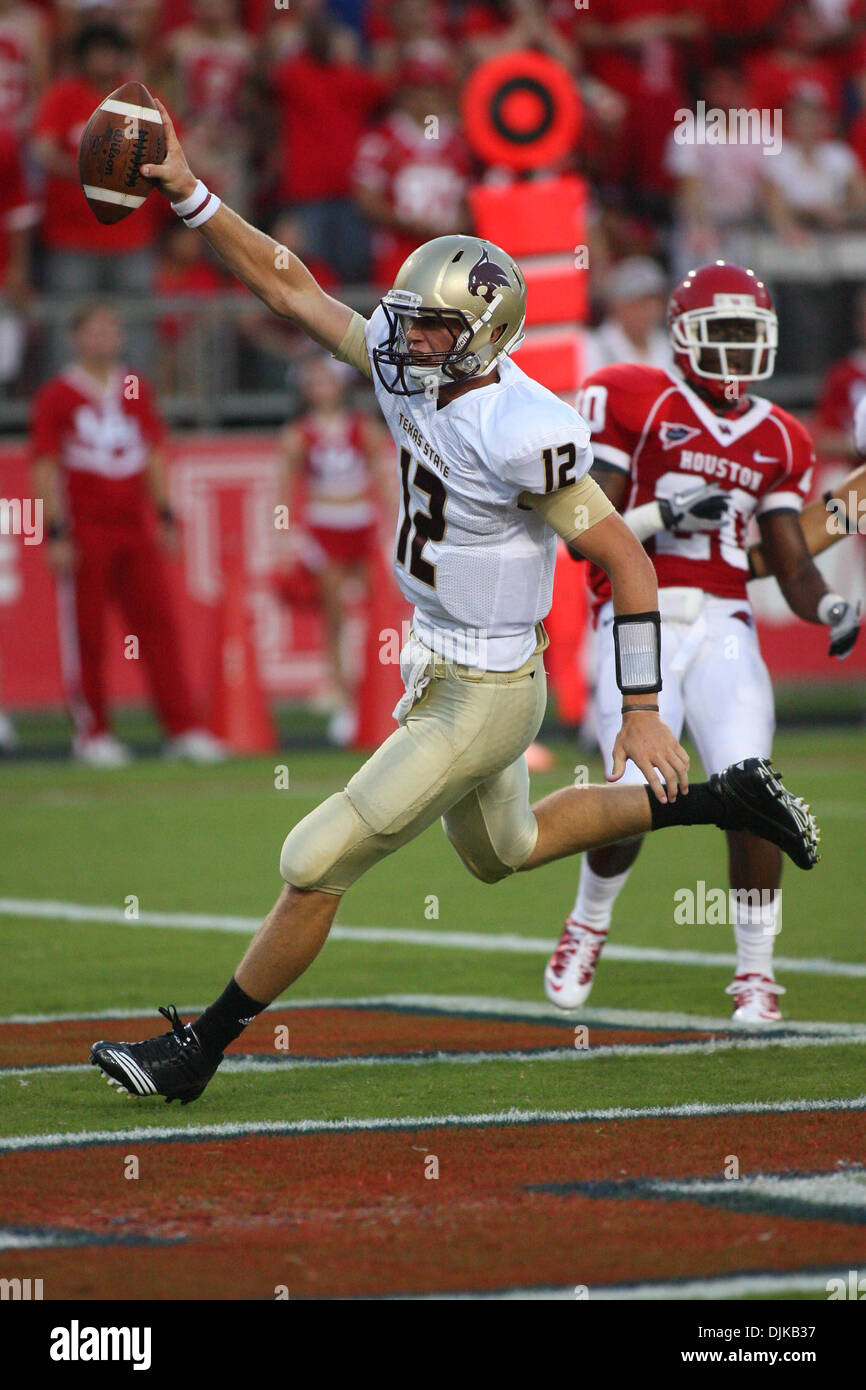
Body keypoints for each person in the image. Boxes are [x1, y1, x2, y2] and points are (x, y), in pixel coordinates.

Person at [90, 107, 819, 1103]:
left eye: (433, 323)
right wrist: (185, 186)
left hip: (482, 687)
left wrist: (641, 710)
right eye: (408, 315)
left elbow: (621, 556)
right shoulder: (407, 368)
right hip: (438, 658)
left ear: (487, 335)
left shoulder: (523, 427)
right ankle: (721, 801)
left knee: (314, 856)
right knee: (505, 853)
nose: (407, 334)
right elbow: (288, 285)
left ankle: (197, 1051)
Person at [545, 261, 859, 1024]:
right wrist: (668, 510)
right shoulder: (633, 394)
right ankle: (589, 920)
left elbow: (788, 562)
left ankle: (756, 972)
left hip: (724, 621)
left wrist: (831, 608)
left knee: (752, 787)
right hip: (634, 611)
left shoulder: (778, 435)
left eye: (745, 335)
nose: (732, 349)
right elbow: (590, 535)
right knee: (631, 794)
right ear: (683, 337)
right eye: (717, 333)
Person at [30, 302, 226, 767]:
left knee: (159, 627)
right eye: (94, 329)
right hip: (85, 526)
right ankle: (93, 730)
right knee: (88, 633)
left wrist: (163, 514)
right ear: (76, 337)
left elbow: (154, 452)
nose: (103, 339)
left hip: (133, 523)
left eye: (110, 329)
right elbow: (44, 464)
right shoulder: (57, 395)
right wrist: (53, 530)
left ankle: (182, 727)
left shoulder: (135, 386)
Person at [277, 353, 391, 744]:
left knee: (380, 612)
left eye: (326, 381)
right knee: (335, 615)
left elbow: (383, 478)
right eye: (313, 383)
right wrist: (287, 534)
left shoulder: (363, 427)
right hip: (325, 526)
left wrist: (394, 528)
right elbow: (284, 487)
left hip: (362, 524)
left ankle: (383, 689)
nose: (321, 389)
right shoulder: (297, 434)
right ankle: (343, 697)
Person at [582, 256, 671, 379]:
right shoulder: (594, 347)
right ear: (617, 306)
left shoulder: (665, 345)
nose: (649, 311)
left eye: (653, 302)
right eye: (639, 303)